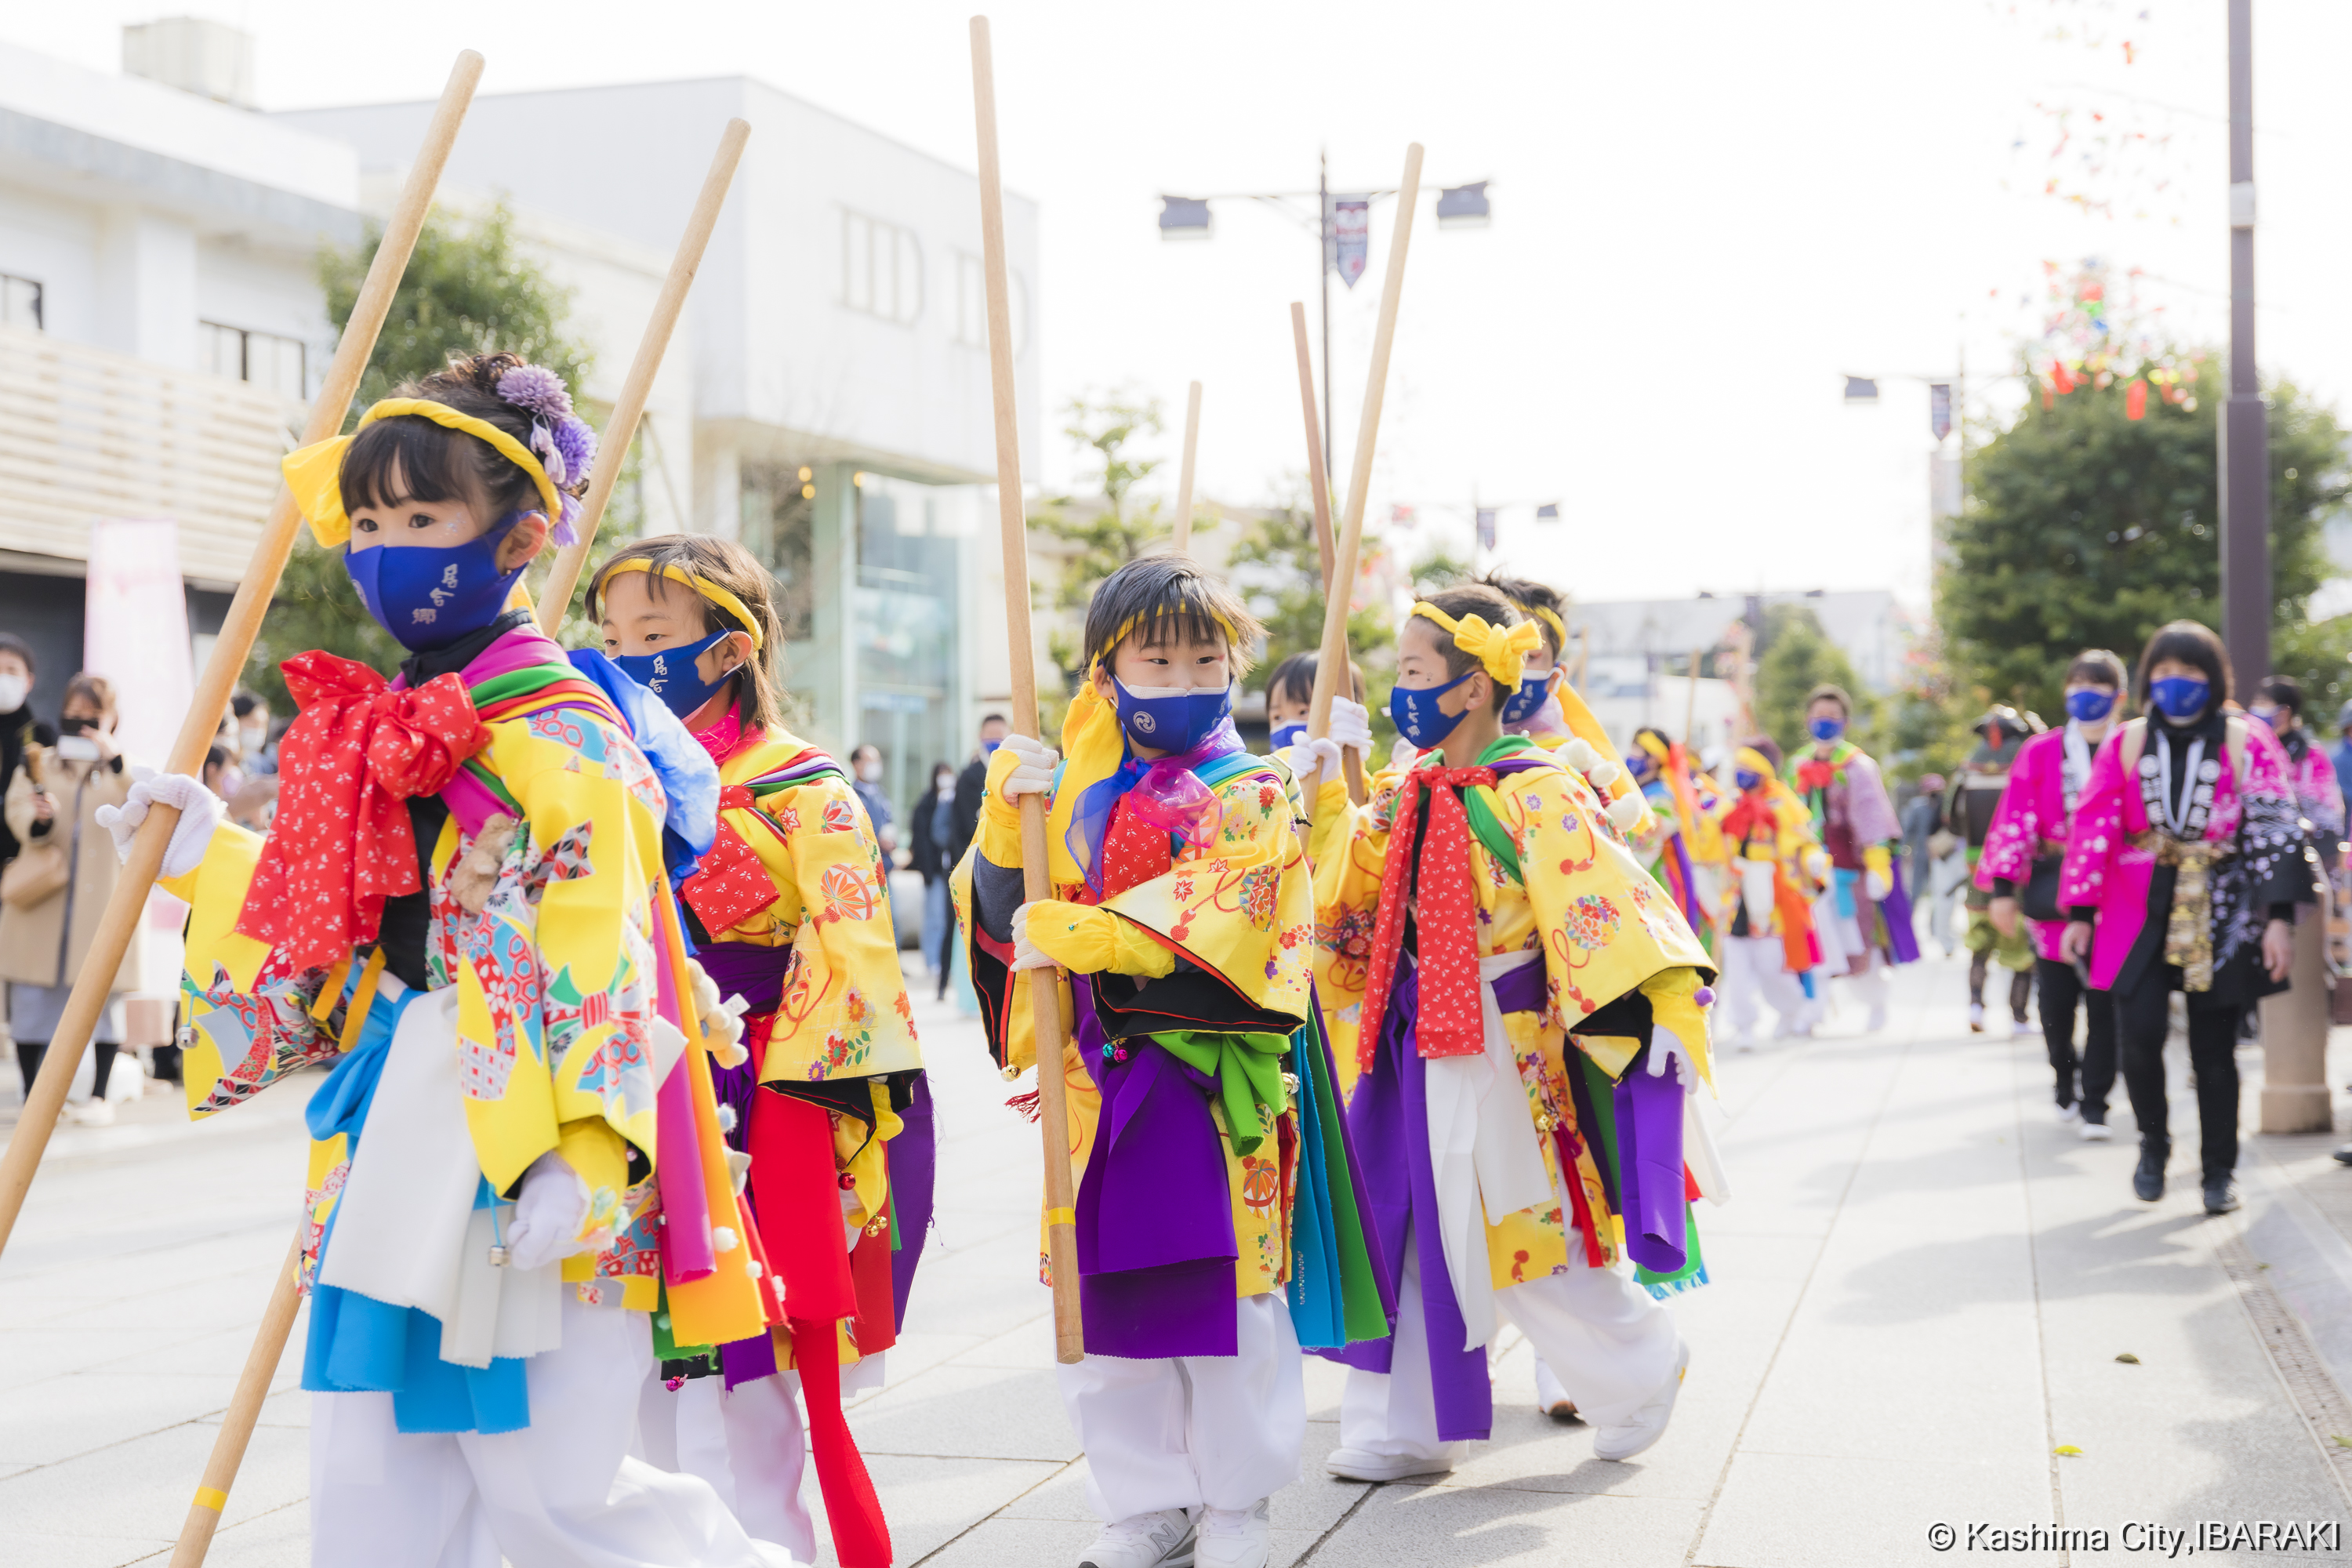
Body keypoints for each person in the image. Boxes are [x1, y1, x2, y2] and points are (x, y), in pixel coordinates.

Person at [117, 351, 799, 1566]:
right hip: (397, 1121)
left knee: (553, 1490)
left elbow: (606, 955)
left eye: (423, 517)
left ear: (521, 535)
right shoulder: (386, 718)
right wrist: (206, 854)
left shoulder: (564, 730)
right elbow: (350, 909)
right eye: (367, 520)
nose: (385, 547)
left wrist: (579, 1155)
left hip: (532, 1133)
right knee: (375, 1474)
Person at [954, 556, 1381, 1568]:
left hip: (1213, 1079)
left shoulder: (1257, 789)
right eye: (1160, 657)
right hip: (1094, 1081)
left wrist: (1103, 935)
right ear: (1109, 673)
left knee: (1232, 1295)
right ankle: (1142, 1499)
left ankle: (1238, 1504)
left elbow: (1245, 913)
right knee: (1101, 1298)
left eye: (1207, 656)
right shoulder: (1073, 791)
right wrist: (1002, 825)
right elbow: (1010, 905)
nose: (1187, 676)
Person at [1314, 583, 1710, 1486]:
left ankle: (1642, 1363)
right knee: (1403, 1221)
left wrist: (1669, 1005)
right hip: (1412, 1033)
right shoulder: (1403, 785)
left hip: (1511, 1038)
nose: (1401, 689)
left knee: (1523, 1225)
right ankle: (1404, 1421)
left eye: (1414, 671)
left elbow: (1616, 904)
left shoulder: (1539, 790)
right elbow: (1353, 903)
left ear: (1469, 687)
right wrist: (1329, 785)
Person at [593, 534, 921, 1567]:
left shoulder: (803, 787)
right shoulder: (597, 769)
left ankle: (768, 1551)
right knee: (630, 1363)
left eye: (653, 636)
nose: (623, 656)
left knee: (752, 1372)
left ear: (729, 650)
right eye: (607, 637)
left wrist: (791, 1108)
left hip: (756, 1085)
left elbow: (854, 954)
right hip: (625, 1077)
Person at [2060, 621, 2305, 1215]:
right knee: (2138, 1038)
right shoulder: (2129, 740)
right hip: (2136, 905)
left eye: (2190, 672)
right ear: (2148, 678)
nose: (2176, 684)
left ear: (2214, 677)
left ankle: (2219, 1171)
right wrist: (2082, 911)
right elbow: (2093, 822)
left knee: (2214, 1050)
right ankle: (2153, 1144)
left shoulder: (2248, 740)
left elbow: (2274, 826)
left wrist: (2277, 919)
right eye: (2164, 672)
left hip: (2222, 908)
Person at [1981, 652, 2127, 1139]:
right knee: (2057, 1001)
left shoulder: (2132, 746)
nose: (2085, 694)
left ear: (2118, 696)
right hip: (2055, 887)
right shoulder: (2041, 752)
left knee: (2106, 998)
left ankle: (2097, 1101)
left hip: (2116, 890)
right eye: (2077, 684)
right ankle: (2065, 1077)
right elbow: (2015, 818)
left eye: (2098, 685)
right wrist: (2002, 890)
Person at [1, 673, 140, 1124]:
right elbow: (18, 810)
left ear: (112, 720)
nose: (80, 723)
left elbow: (146, 815)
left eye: (92, 715)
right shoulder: (41, 761)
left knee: (101, 1000)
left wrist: (115, 762)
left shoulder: (126, 770)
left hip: (103, 904)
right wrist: (39, 820)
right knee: (33, 1001)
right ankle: (33, 1096)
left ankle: (98, 1096)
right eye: (74, 713)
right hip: (44, 902)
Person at [1788, 684, 1915, 1033]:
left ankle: (1876, 1002)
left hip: (1850, 870)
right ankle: (1813, 1008)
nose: (1823, 723)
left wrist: (1877, 867)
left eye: (1831, 717)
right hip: (1809, 869)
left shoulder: (1857, 765)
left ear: (1844, 721)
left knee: (1859, 938)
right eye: (1817, 717)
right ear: (1807, 720)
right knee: (1813, 939)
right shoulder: (1797, 765)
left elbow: (1872, 817)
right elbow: (1789, 818)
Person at [1715, 742, 1828, 1050]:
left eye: (1748, 770)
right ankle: (1743, 1025)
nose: (1742, 775)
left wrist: (1813, 860)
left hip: (1772, 891)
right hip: (1737, 891)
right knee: (1736, 967)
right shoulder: (1730, 804)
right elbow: (1711, 841)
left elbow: (1802, 839)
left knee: (1771, 966)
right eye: (1739, 769)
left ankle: (1792, 1009)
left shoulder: (1781, 802)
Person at [1952, 709, 2040, 1036]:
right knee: (2021, 947)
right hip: (2016, 867)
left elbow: (1952, 817)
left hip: (1977, 868)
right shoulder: (2027, 765)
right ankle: (2019, 1017)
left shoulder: (1966, 771)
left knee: (1979, 944)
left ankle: (1976, 1005)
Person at [2251, 677, 2347, 867]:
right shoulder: (2254, 746)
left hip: (2308, 851)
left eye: (2263, 703)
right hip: (2261, 849)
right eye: (2256, 702)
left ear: (2285, 712)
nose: (2255, 709)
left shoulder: (2309, 754)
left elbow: (2325, 813)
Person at [0, 633, 53, 869]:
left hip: (23, 864)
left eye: (11, 671)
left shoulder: (42, 736)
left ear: (29, 681)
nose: (3, 678)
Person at [909, 760, 959, 1000]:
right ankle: (932, 960)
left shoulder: (955, 799)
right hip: (934, 870)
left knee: (945, 918)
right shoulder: (928, 802)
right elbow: (926, 836)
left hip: (951, 869)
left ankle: (941, 961)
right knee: (934, 917)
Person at [949, 713, 1007, 880]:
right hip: (978, 856)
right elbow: (967, 822)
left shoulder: (1011, 772)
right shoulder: (969, 776)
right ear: (981, 737)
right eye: (991, 736)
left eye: (1000, 736)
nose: (996, 740)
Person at [1900, 774, 1945, 932]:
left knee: (1940, 894)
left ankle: (1936, 928)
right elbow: (1908, 831)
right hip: (1920, 856)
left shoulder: (1945, 806)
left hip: (1941, 857)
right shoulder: (1917, 807)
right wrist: (1903, 851)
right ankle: (1907, 925)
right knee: (1915, 891)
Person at [847, 743, 898, 859]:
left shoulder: (880, 793)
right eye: (871, 761)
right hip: (864, 863)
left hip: (885, 864)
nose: (876, 765)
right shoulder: (849, 794)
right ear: (856, 764)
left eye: (878, 761)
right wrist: (877, 841)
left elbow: (888, 821)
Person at [233, 688, 277, 776]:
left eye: (263, 725)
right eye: (254, 722)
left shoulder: (261, 765)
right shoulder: (219, 760)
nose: (259, 730)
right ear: (236, 719)